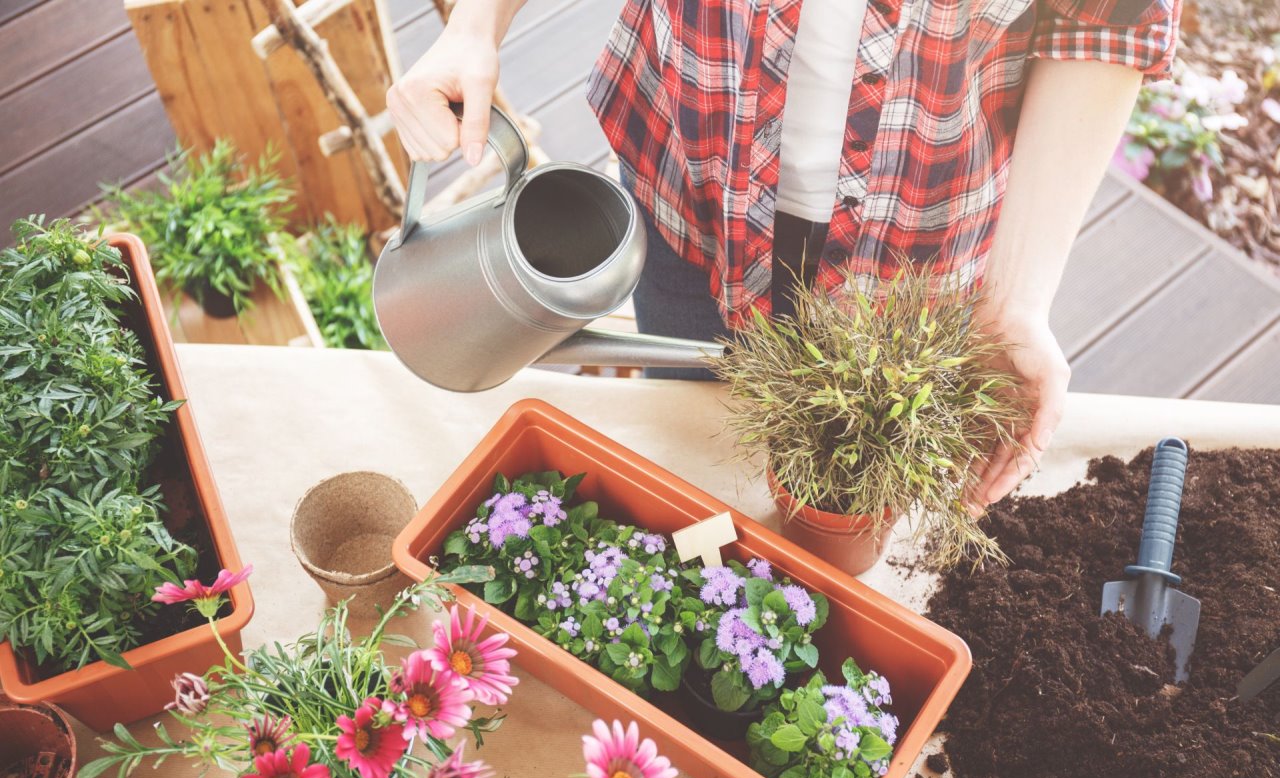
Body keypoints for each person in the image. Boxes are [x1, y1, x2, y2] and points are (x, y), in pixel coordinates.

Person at [386, 0, 1181, 512]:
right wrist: (472, 29)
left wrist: (1017, 301)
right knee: (695, 454)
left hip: (911, 254)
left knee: (849, 493)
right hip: (694, 181)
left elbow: (1105, 24)